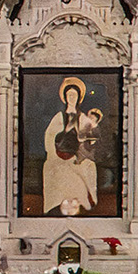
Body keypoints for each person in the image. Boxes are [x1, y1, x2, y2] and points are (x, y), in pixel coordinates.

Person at [40, 76, 104, 214]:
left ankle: (82, 203)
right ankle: (56, 204)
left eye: (74, 95)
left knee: (87, 167)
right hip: (58, 155)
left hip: (76, 156)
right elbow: (49, 136)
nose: (72, 98)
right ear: (65, 97)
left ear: (78, 97)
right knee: (51, 167)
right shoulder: (59, 117)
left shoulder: (83, 118)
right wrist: (53, 154)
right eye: (69, 95)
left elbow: (91, 139)